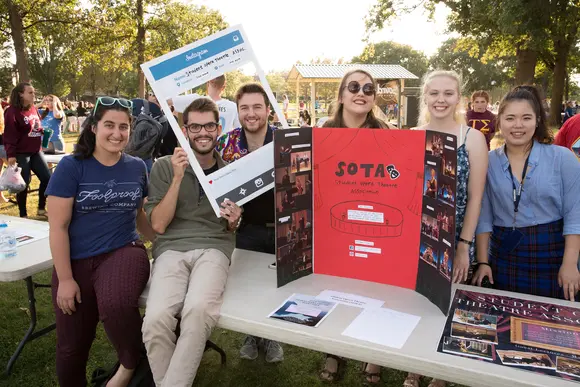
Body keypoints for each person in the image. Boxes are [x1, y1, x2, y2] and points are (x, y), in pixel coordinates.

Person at [45, 96, 155, 387]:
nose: (117, 133)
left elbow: (140, 214)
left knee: (117, 305)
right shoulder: (72, 166)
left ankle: (130, 364)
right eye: (109, 125)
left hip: (123, 251)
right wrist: (66, 279)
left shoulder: (137, 168)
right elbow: (58, 227)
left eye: (124, 127)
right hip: (77, 260)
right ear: (93, 127)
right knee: (71, 347)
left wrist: (164, 241)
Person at [142, 97, 243, 386]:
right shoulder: (163, 167)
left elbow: (231, 225)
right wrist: (176, 178)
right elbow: (159, 224)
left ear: (218, 127)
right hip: (172, 249)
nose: (203, 132)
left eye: (209, 125)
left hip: (214, 248)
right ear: (185, 130)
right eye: (195, 126)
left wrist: (235, 218)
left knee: (198, 311)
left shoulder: (230, 171)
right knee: (156, 320)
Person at [406, 70, 488, 387]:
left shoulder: (472, 138)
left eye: (448, 93)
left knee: (450, 304)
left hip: (455, 237)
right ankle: (415, 366)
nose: (441, 99)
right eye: (434, 93)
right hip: (418, 236)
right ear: (425, 97)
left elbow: (476, 196)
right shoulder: (412, 134)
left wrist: (464, 245)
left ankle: (440, 373)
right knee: (419, 303)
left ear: (458, 97)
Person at [472, 85, 580, 301]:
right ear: (499, 121)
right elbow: (483, 216)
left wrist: (569, 264)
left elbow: (574, 215)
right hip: (504, 256)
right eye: (510, 118)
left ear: (537, 120)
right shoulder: (487, 161)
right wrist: (483, 262)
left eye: (526, 118)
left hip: (553, 253)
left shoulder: (562, 158)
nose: (518, 125)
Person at [319, 69, 390, 385]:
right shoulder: (324, 130)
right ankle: (334, 350)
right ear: (341, 95)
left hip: (373, 218)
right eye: (354, 87)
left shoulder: (387, 131)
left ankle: (372, 355)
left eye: (368, 88)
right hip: (336, 221)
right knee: (337, 289)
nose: (361, 93)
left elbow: (395, 175)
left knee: (376, 289)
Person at [215, 83, 285, 363]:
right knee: (248, 286)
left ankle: (272, 337)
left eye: (257, 107)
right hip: (245, 228)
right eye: (244, 108)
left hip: (282, 226)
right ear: (238, 111)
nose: (251, 113)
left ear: (268, 110)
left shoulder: (286, 139)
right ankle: (251, 336)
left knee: (276, 286)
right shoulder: (226, 144)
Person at [3, 82, 52, 218]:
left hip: (36, 150)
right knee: (23, 184)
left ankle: (41, 208)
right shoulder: (12, 111)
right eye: (30, 92)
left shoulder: (33, 109)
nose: (33, 95)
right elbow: (10, 135)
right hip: (21, 153)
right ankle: (23, 214)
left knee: (47, 178)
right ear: (20, 94)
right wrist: (11, 154)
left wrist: (42, 131)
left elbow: (36, 125)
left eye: (33, 92)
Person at [171, 75, 241, 134]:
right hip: (223, 148)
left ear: (208, 83)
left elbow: (166, 101)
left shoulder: (194, 100)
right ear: (223, 87)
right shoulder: (233, 107)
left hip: (199, 147)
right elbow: (240, 131)